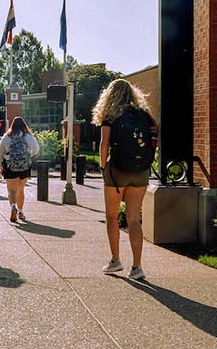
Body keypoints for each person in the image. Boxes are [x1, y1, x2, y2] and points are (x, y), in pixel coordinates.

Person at [92, 78, 158, 282]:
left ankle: (115, 260)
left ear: (110, 95)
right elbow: (155, 140)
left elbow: (104, 144)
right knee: (133, 219)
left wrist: (103, 166)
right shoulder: (144, 116)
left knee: (111, 216)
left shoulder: (110, 116)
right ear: (132, 94)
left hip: (117, 171)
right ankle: (137, 266)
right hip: (140, 172)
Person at [0, 117, 40, 222]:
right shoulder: (28, 137)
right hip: (25, 167)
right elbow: (37, 150)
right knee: (21, 189)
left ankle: (13, 207)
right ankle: (20, 211)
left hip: (10, 166)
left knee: (12, 190)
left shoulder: (7, 137)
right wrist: (29, 154)